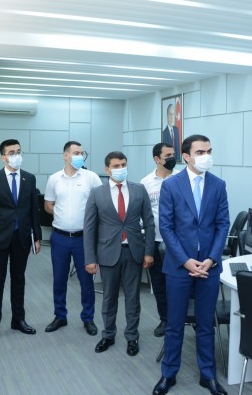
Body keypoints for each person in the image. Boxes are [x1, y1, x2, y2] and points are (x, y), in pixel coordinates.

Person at [153, 134, 230, 395]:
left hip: (209, 266)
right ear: (186, 156)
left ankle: (208, 375)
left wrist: (212, 258)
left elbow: (223, 224)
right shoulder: (171, 185)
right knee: (174, 324)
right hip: (179, 266)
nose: (206, 156)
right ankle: (168, 374)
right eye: (200, 152)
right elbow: (166, 227)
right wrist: (186, 261)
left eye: (209, 151)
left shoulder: (218, 185)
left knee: (206, 324)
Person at [83, 151, 155, 357]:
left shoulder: (139, 190)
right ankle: (108, 335)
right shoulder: (97, 193)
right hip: (107, 253)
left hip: (134, 252)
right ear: (107, 169)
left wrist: (149, 252)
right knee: (109, 298)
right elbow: (89, 228)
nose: (121, 168)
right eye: (116, 166)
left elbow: (149, 223)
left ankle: (132, 337)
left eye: (123, 164)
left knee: (133, 298)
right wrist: (90, 259)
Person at [0, 139, 42, 344]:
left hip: (22, 238)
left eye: (18, 151)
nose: (16, 155)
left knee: (19, 280)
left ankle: (18, 320)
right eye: (11, 152)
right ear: (3, 157)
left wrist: (37, 236)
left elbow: (33, 210)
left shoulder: (29, 178)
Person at [43, 141, 102, 336]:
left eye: (82, 153)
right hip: (59, 237)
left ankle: (88, 318)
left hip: (83, 238)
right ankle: (60, 315)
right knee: (59, 279)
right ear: (65, 155)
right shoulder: (54, 179)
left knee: (86, 281)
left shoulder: (91, 177)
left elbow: (101, 204)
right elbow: (48, 205)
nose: (80, 156)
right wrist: (62, 214)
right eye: (76, 153)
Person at [140, 142, 180, 337]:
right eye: (168, 155)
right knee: (159, 284)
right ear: (157, 159)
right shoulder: (146, 182)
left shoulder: (182, 177)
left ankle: (186, 318)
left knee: (181, 283)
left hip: (179, 243)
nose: (173, 158)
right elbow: (143, 213)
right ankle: (165, 319)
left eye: (173, 154)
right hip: (155, 241)